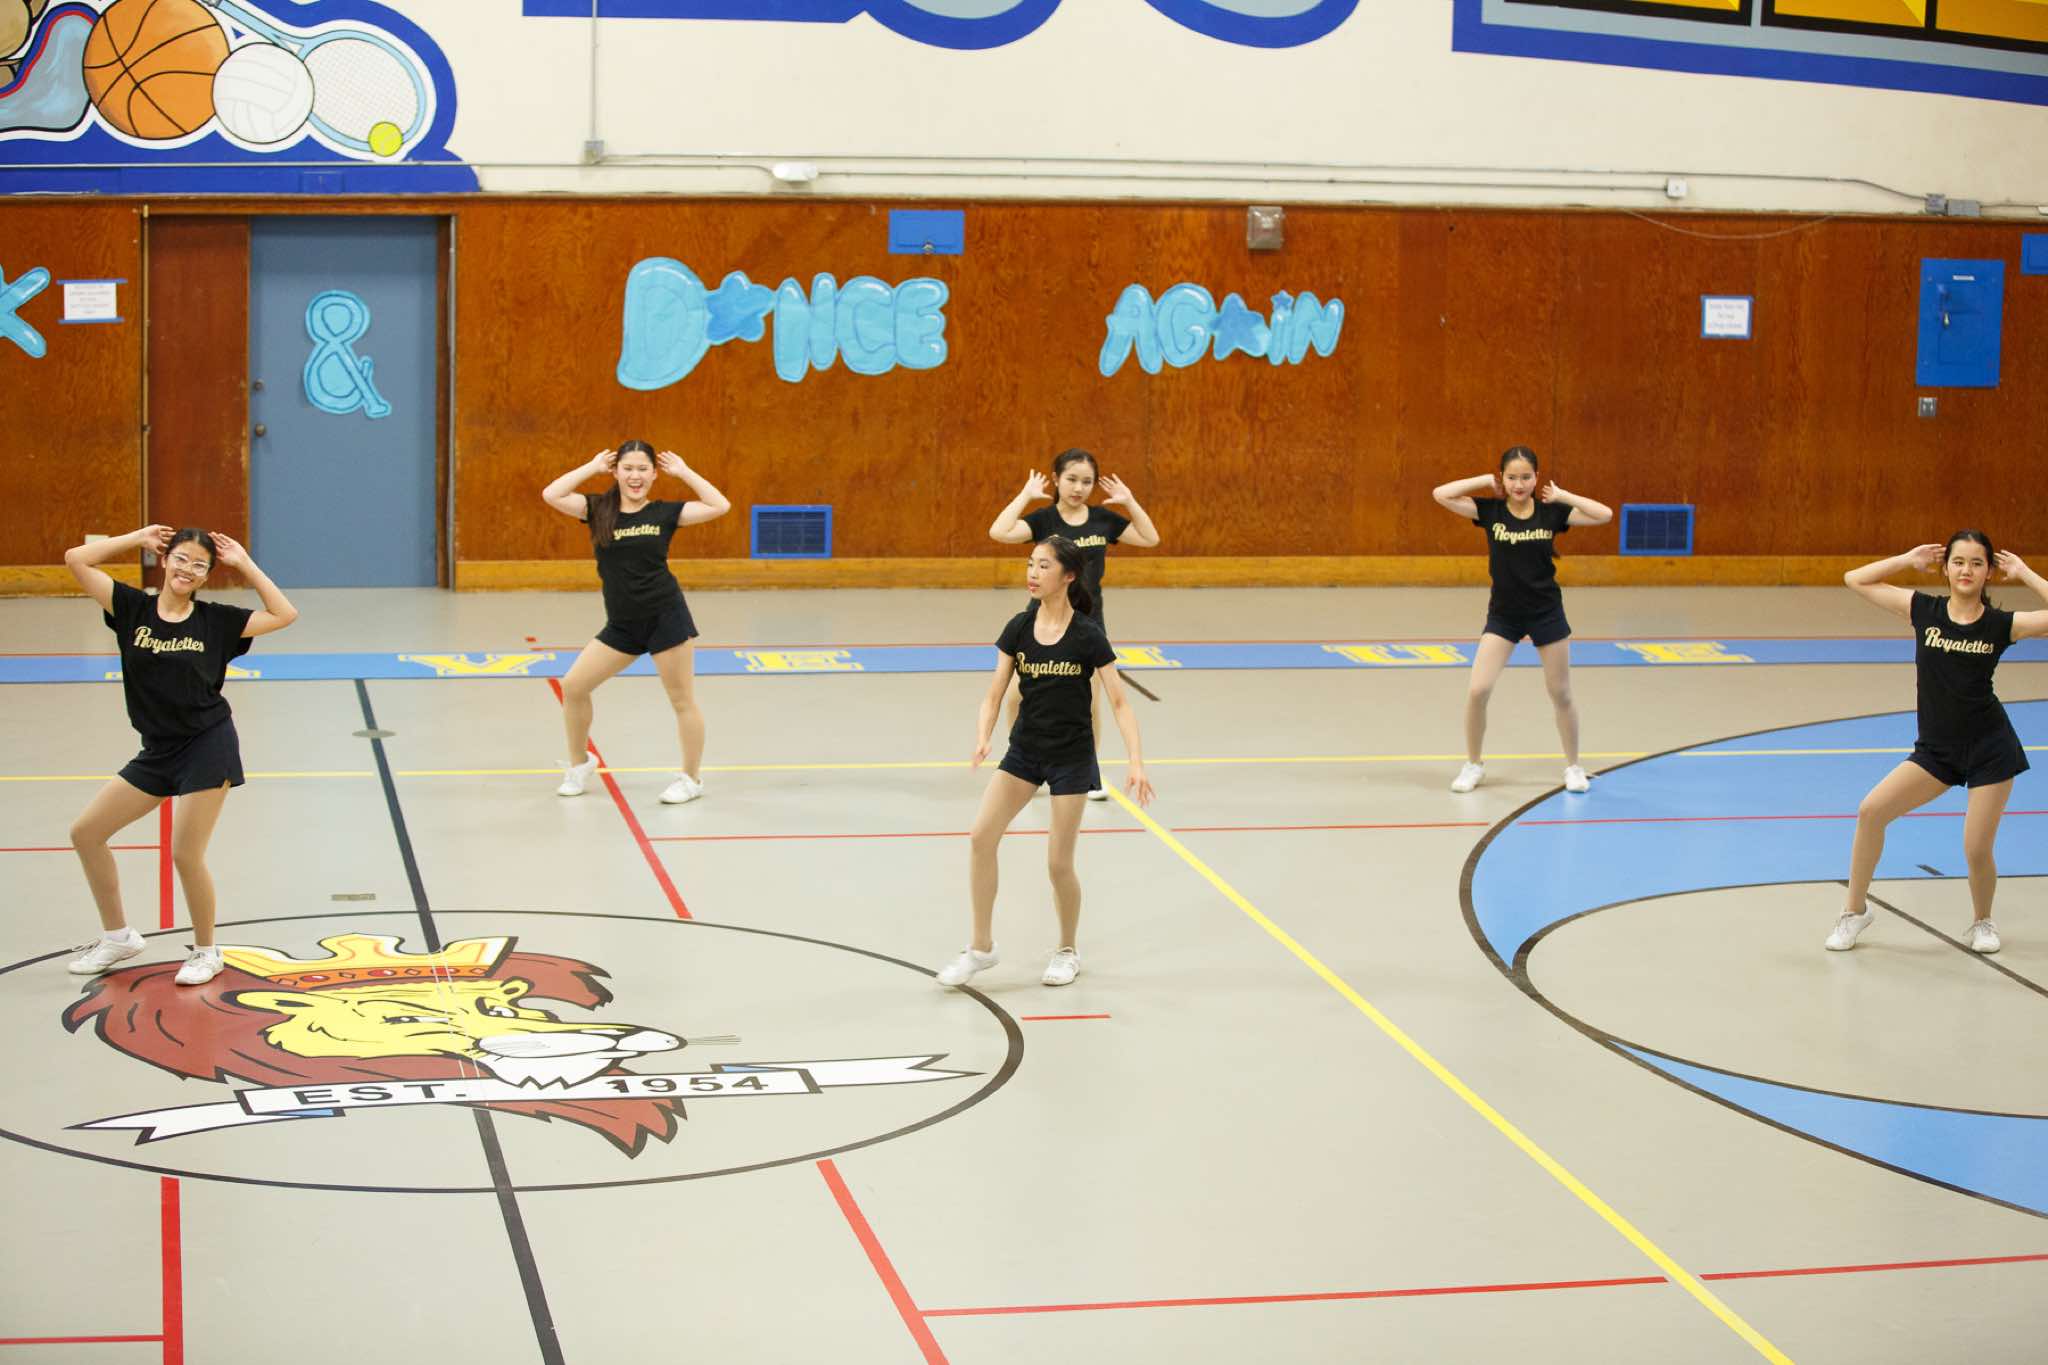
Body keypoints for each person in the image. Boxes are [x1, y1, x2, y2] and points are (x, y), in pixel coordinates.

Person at [62, 526, 298, 985]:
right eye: (181, 559)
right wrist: (138, 538)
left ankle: (207, 951)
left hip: (208, 743)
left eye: (199, 565)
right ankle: (118, 937)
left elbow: (284, 613)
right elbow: (76, 558)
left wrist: (245, 564)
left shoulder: (216, 621)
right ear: (165, 560)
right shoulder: (131, 608)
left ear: (207, 576)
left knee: (186, 853)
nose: (188, 569)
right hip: (158, 750)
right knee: (86, 833)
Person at [937, 536, 1155, 989]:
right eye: (1030, 565)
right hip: (1024, 753)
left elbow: (1120, 703)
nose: (1032, 574)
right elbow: (994, 693)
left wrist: (1135, 762)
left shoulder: (1088, 635)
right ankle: (981, 947)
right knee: (980, 837)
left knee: (1058, 864)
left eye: (1043, 566)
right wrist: (983, 736)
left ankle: (1067, 949)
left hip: (1071, 759)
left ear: (1068, 575)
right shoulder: (1018, 628)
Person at [1827, 533, 2048, 954]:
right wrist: (1906, 559)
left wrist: (2025, 573)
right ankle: (1854, 912)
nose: (1966, 570)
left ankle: (1983, 922)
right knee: (1871, 811)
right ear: (1945, 568)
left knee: (1976, 848)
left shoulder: (2001, 625)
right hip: (1936, 752)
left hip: (1989, 750)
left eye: (1977, 563)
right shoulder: (1923, 610)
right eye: (1958, 561)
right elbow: (1855, 578)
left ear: (1988, 572)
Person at [541, 440, 730, 804]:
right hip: (622, 624)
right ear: (615, 472)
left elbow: (719, 505)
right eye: (628, 468)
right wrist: (591, 466)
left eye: (643, 469)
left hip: (665, 619)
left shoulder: (664, 513)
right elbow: (552, 494)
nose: (635, 476)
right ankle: (580, 764)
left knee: (682, 700)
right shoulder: (598, 509)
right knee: (574, 686)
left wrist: (685, 472)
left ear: (654, 474)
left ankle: (691, 779)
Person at [1431, 446, 1612, 794]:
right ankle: (1473, 765)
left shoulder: (1551, 513)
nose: (1519, 484)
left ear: (1536, 478)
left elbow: (1604, 514)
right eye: (1511, 477)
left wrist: (1563, 496)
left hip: (1546, 613)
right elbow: (1441, 494)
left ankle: (1574, 767)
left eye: (1526, 477)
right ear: (1503, 478)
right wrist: (1485, 481)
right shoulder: (1490, 511)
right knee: (1478, 690)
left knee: (1560, 693)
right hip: (1504, 615)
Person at [989, 448, 1160, 799]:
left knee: (1089, 702)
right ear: (1056, 480)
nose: (1078, 488)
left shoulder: (1103, 520)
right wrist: (1025, 496)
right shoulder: (1045, 520)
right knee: (1017, 695)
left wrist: (1129, 501)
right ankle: (1020, 764)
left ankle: (1086, 772)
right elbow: (999, 531)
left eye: (1086, 481)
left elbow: (1150, 538)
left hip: (1086, 623)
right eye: (1071, 479)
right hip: (1041, 622)